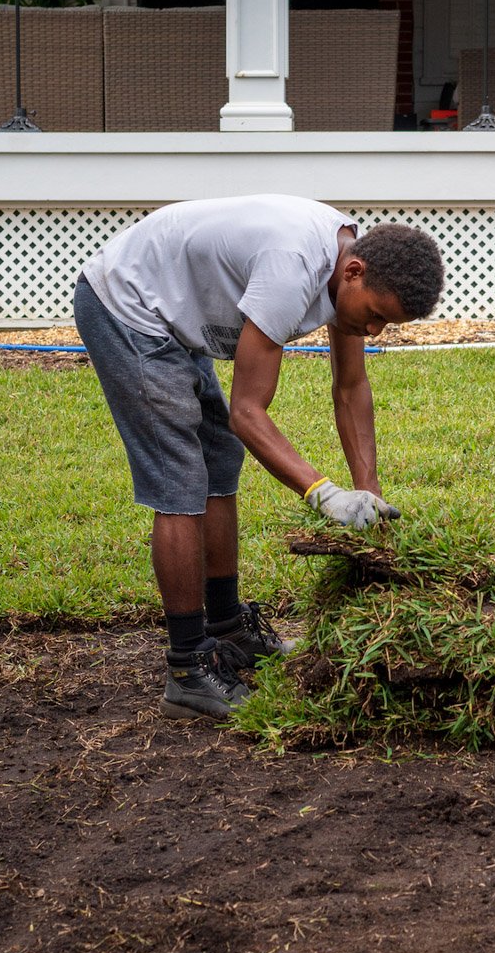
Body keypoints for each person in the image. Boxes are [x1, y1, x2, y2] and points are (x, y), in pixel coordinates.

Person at [72, 194, 446, 722]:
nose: (375, 332)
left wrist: (370, 494)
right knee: (181, 476)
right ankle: (187, 671)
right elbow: (248, 413)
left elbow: (350, 388)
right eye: (377, 317)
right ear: (355, 272)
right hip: (129, 303)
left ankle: (227, 629)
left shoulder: (348, 269)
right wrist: (325, 493)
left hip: (176, 312)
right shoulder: (291, 269)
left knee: (218, 458)